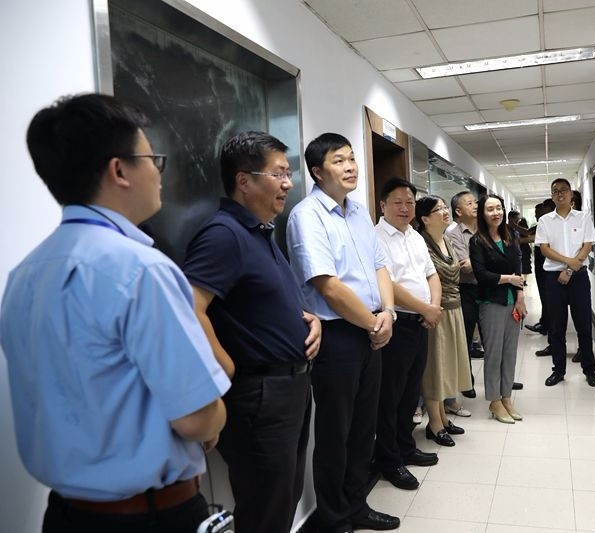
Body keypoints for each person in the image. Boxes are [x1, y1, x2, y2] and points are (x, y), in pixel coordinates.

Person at [0, 93, 230, 533]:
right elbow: (197, 417)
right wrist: (215, 417)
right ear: (119, 171)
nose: (158, 173)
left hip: (64, 516)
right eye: (152, 159)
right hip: (149, 517)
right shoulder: (141, 270)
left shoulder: (24, 274)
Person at [182, 131, 321, 532]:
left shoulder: (259, 232)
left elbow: (259, 300)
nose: (288, 183)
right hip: (259, 395)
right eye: (279, 174)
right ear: (243, 180)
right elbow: (189, 307)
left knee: (283, 498)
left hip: (289, 388)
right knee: (265, 508)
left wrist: (307, 318)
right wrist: (224, 368)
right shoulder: (223, 234)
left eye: (288, 173)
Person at [286, 133, 399, 532]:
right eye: (339, 160)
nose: (351, 166)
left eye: (352, 158)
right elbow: (328, 286)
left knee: (364, 426)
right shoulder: (307, 216)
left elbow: (380, 266)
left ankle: (356, 505)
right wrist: (373, 323)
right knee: (336, 431)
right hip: (337, 337)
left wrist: (387, 313)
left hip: (372, 328)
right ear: (318, 172)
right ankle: (333, 518)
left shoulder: (359, 212)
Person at [373, 178, 443, 490]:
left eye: (410, 203)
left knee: (410, 391)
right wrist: (425, 308)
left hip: (421, 322)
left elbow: (431, 274)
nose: (405, 208)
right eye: (398, 202)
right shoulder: (376, 237)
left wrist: (433, 307)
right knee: (391, 395)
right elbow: (387, 284)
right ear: (383, 205)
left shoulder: (414, 235)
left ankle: (405, 446)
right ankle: (389, 460)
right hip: (397, 323)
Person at [416, 196, 473, 446]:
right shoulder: (421, 243)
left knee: (447, 366)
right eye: (437, 209)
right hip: (436, 311)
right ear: (425, 219)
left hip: (454, 308)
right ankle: (435, 423)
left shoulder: (447, 239)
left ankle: (442, 417)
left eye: (444, 207)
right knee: (435, 368)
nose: (444, 211)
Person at [535, 179, 595, 387]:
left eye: (563, 190)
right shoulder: (545, 221)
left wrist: (570, 269)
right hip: (554, 279)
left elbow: (587, 246)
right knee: (557, 328)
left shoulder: (583, 217)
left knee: (584, 326)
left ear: (571, 193)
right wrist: (568, 262)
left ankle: (589, 370)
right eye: (555, 191)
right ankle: (558, 371)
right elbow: (544, 249)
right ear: (552, 196)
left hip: (578, 279)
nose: (559, 194)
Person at [470, 194, 527, 423]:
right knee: (494, 354)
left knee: (510, 352)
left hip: (513, 301)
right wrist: (509, 279)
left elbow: (518, 266)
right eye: (490, 209)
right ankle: (494, 401)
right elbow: (481, 275)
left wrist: (520, 294)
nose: (496, 213)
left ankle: (506, 397)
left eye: (499, 208)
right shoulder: (477, 241)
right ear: (482, 214)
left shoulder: (511, 235)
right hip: (491, 302)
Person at [446, 191, 481, 397]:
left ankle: (499, 380)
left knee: (493, 338)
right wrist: (488, 262)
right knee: (465, 338)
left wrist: (478, 262)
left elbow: (502, 260)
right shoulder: (453, 234)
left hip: (489, 288)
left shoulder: (487, 229)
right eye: (469, 203)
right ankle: (467, 382)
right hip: (466, 290)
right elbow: (464, 267)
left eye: (475, 202)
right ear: (458, 211)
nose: (475, 205)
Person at [525, 199, 555, 337]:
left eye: (542, 209)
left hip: (547, 267)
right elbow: (528, 233)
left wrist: (513, 241)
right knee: (544, 296)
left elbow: (532, 238)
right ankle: (544, 323)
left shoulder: (551, 223)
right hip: (541, 265)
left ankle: (546, 326)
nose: (538, 213)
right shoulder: (542, 223)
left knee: (547, 296)